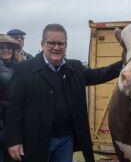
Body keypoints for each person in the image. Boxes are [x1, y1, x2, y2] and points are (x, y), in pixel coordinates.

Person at [5, 24, 123, 162]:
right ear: (42, 44)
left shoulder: (75, 68)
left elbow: (100, 74)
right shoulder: (23, 69)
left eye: (61, 43)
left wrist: (127, 61)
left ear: (66, 45)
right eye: (52, 43)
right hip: (35, 140)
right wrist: (14, 140)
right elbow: (14, 109)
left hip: (65, 141)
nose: (56, 47)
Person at [0, 34, 21, 162]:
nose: (5, 50)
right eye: (1, 47)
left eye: (9, 47)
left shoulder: (20, 66)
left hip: (15, 120)